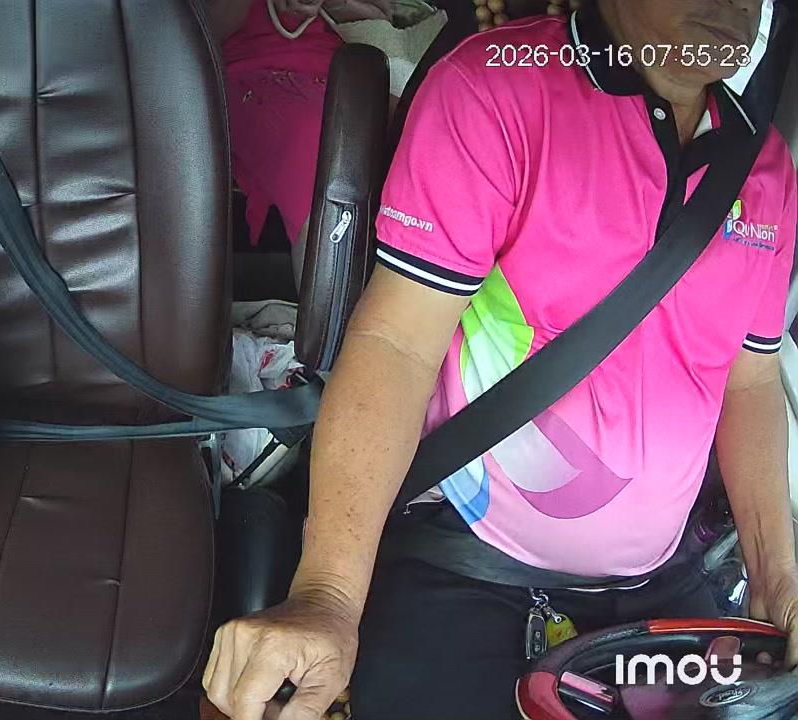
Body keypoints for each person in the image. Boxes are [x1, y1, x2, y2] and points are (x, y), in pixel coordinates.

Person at [203, 1, 798, 718]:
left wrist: (780, 581)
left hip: (660, 588)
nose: (734, 5)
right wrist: (327, 597)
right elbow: (397, 344)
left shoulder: (765, 168)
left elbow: (750, 379)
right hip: (468, 563)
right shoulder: (496, 88)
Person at [209, 0, 389, 288]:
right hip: (249, 71)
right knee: (317, 145)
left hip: (345, 73)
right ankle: (332, 308)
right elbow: (194, 27)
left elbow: (381, 19)